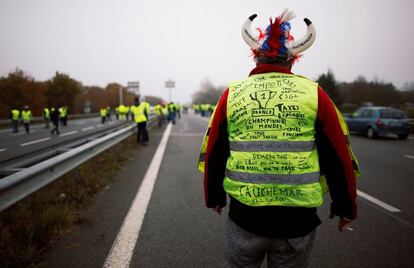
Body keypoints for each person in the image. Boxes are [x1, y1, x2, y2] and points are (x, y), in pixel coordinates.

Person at [198, 9, 360, 268]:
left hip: (245, 218)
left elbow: (215, 148)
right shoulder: (314, 94)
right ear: (292, 61)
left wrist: (214, 197)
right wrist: (345, 206)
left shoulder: (233, 94)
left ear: (256, 58)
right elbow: (337, 155)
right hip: (296, 224)